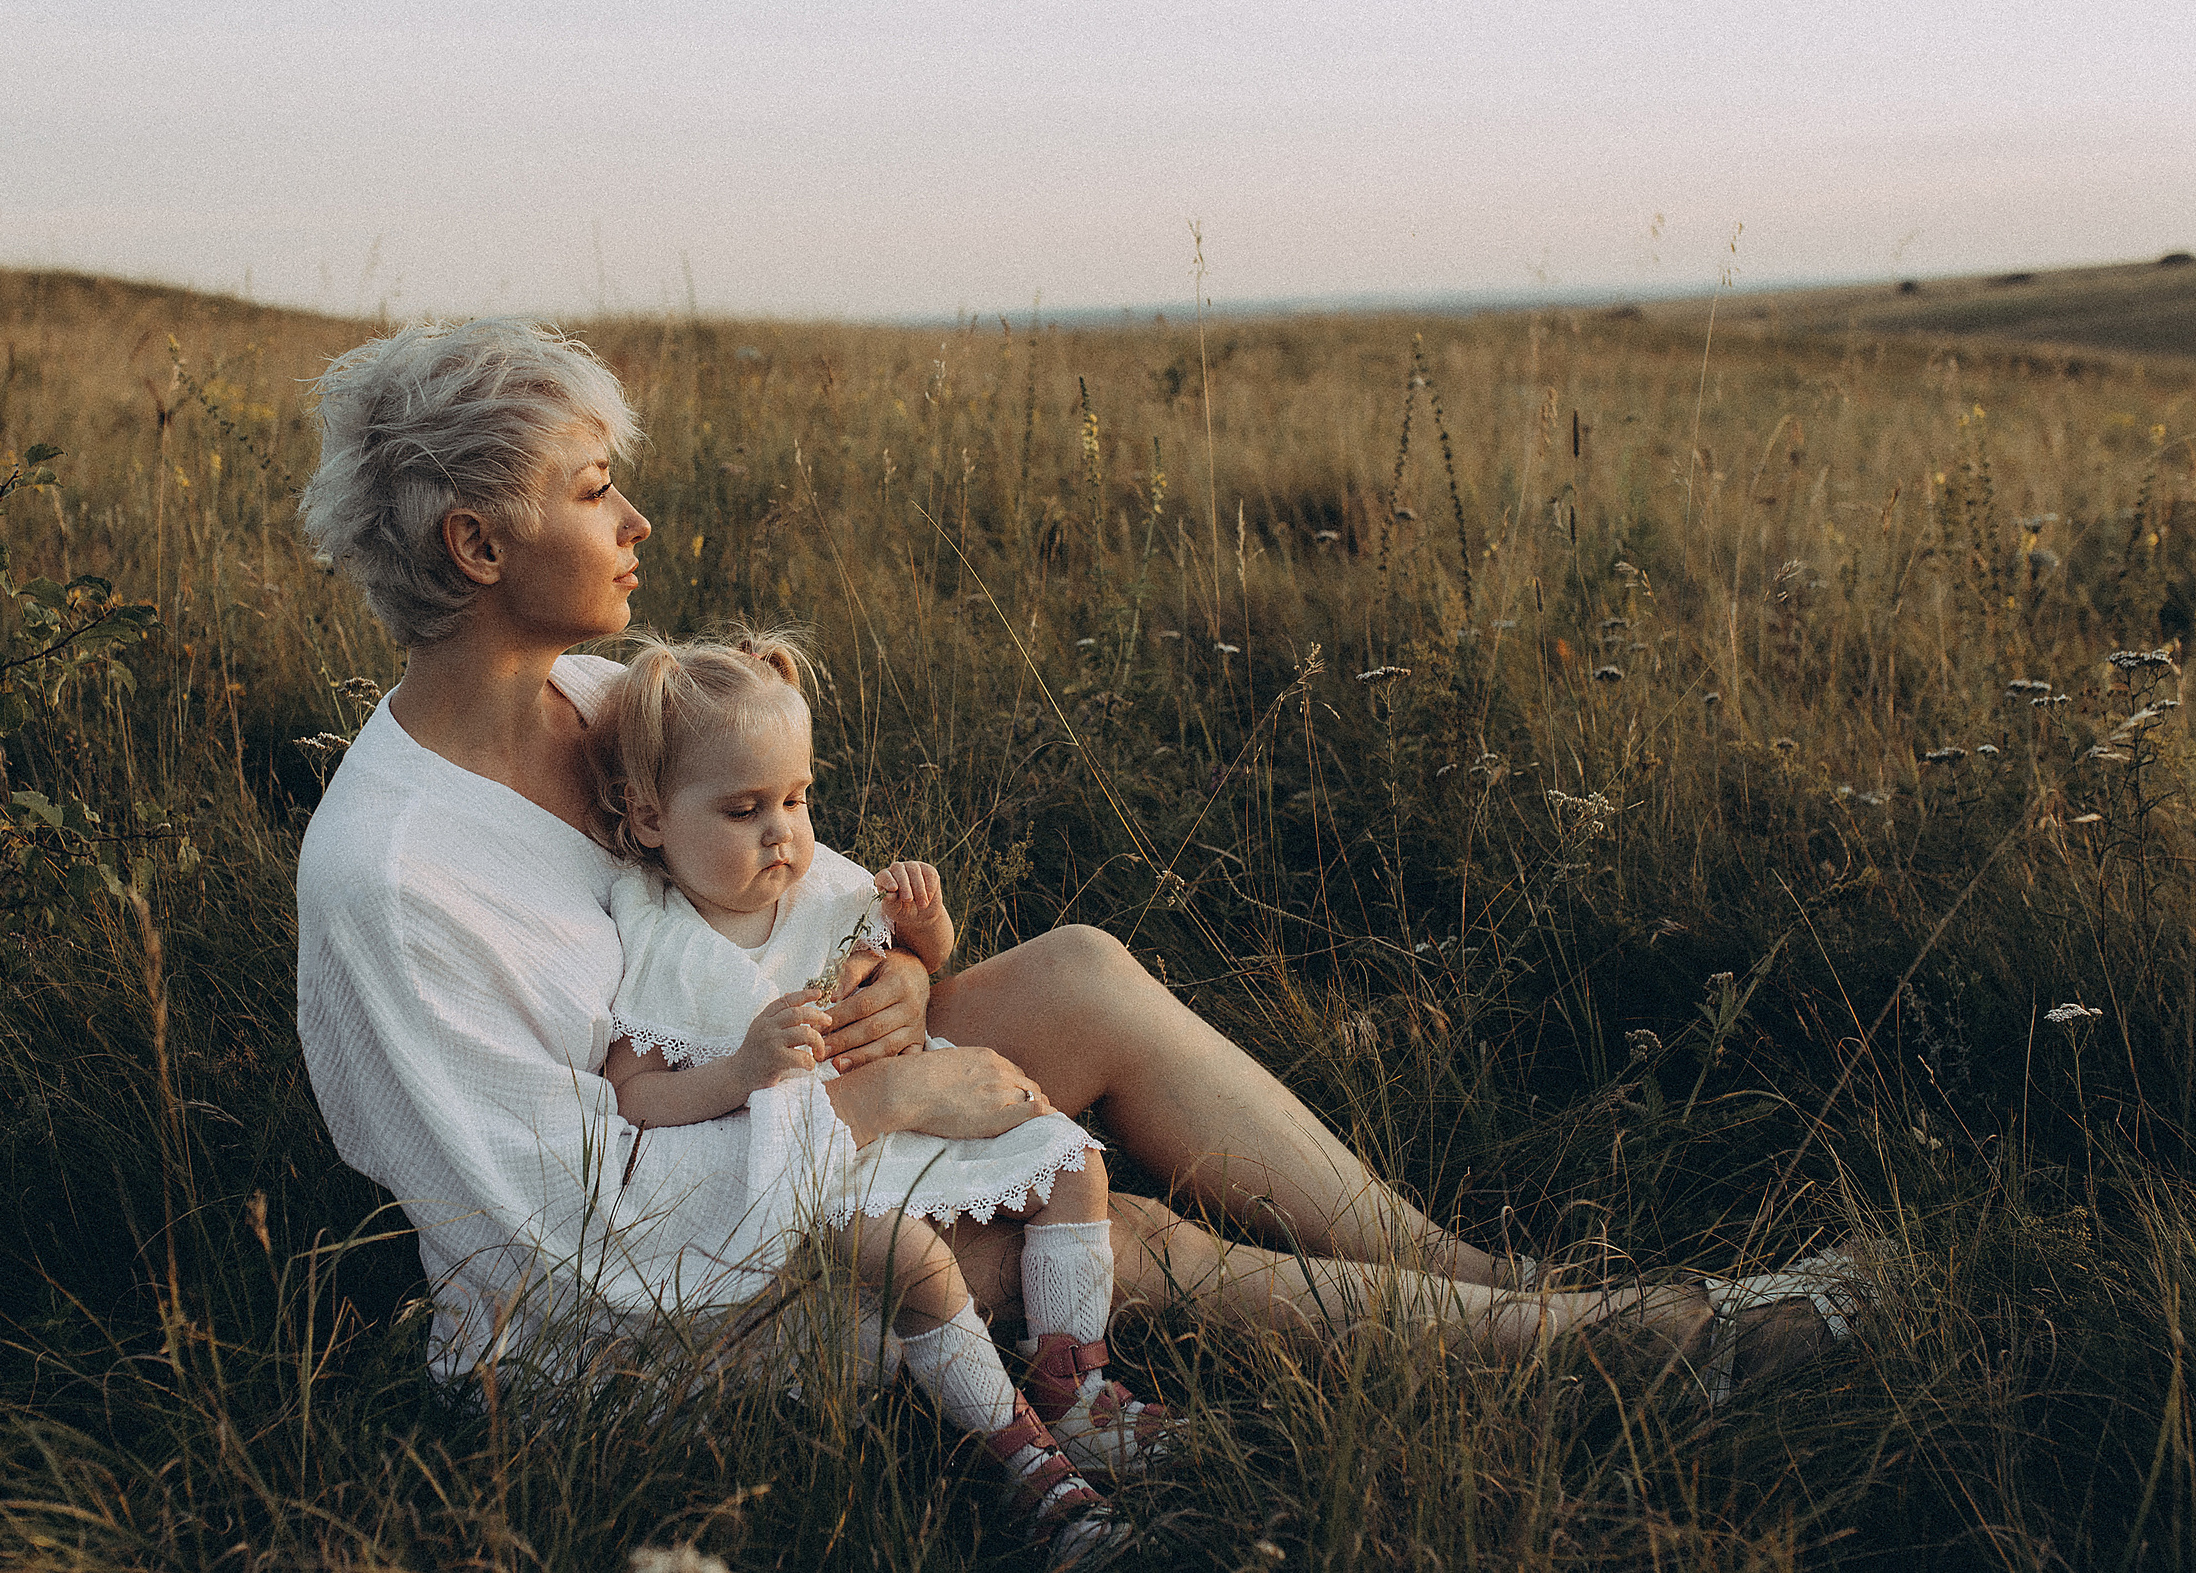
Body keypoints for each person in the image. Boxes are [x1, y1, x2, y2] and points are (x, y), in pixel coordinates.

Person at [290, 317, 1868, 1446]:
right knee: (1134, 1242)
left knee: (1082, 971)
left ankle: (1481, 1276)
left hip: (789, 1117)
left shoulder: (596, 699)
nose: (637, 519)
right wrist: (891, 1097)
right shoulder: (394, 878)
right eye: (591, 488)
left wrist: (895, 979)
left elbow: (799, 889)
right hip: (645, 1331)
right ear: (477, 546)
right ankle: (1635, 1356)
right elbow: (570, 1232)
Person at [583, 626, 1171, 1554]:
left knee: (1075, 1164)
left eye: (796, 797)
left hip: (912, 1114)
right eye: (743, 809)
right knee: (910, 1259)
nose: (782, 831)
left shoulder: (821, 886)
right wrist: (738, 1071)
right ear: (650, 817)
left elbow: (924, 960)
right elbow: (636, 1098)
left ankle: (1076, 1384)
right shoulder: (658, 938)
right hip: (817, 1161)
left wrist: (924, 923)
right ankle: (1021, 1456)